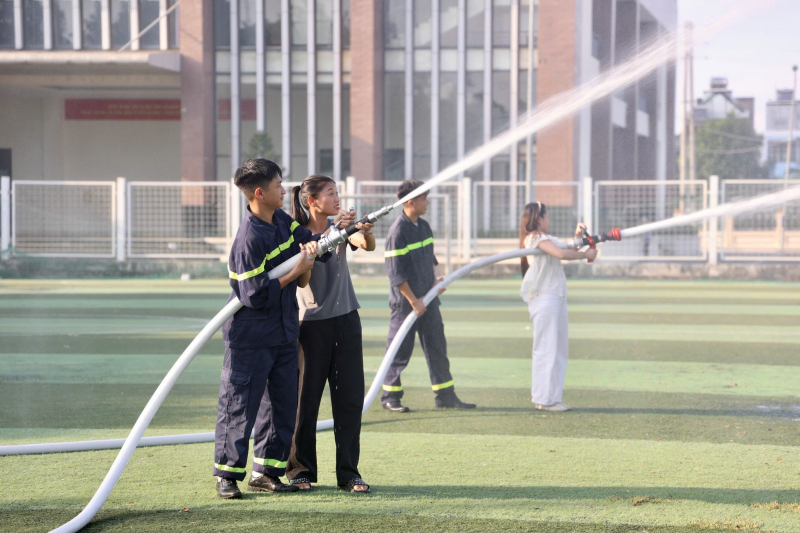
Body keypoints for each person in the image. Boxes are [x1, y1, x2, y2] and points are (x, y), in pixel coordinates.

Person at [213, 159, 329, 499]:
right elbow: (252, 295)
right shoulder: (248, 239)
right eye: (279, 185)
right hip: (249, 337)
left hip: (283, 332)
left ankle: (267, 471)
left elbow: (308, 241)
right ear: (259, 193)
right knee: (238, 407)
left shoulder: (281, 219)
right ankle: (227, 476)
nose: (284, 190)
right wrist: (295, 272)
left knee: (280, 405)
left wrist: (336, 235)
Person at [286, 175, 375, 494]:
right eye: (330, 193)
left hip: (347, 321)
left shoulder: (341, 229)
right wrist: (338, 230)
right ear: (311, 201)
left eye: (338, 192)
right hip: (310, 325)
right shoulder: (297, 233)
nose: (337, 198)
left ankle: (349, 472)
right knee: (304, 401)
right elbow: (305, 269)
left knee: (350, 400)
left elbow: (364, 244)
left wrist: (362, 230)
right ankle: (299, 470)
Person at [381, 180, 476, 412]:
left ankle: (445, 396)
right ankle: (390, 398)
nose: (428, 202)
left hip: (428, 301)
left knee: (437, 348)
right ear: (410, 201)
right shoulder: (397, 232)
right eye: (424, 198)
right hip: (407, 304)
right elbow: (396, 274)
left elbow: (429, 259)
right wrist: (415, 301)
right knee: (399, 351)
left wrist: (434, 284)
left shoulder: (423, 226)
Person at [519, 201, 597, 412]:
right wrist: (584, 255)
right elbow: (561, 254)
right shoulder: (534, 238)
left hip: (556, 296)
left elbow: (567, 246)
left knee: (559, 350)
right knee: (546, 349)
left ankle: (553, 398)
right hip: (545, 299)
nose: (549, 219)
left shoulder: (547, 239)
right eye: (547, 216)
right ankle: (544, 399)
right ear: (538, 218)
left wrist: (579, 237)